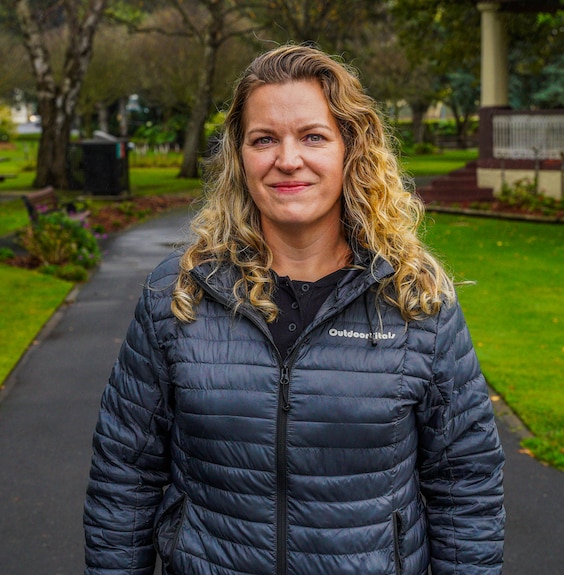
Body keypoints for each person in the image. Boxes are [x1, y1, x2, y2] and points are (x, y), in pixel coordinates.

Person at [84, 44, 505, 575]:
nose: (287, 159)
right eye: (264, 139)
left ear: (351, 148)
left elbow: (465, 485)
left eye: (312, 136)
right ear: (240, 157)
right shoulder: (179, 295)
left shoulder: (416, 301)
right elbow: (124, 476)